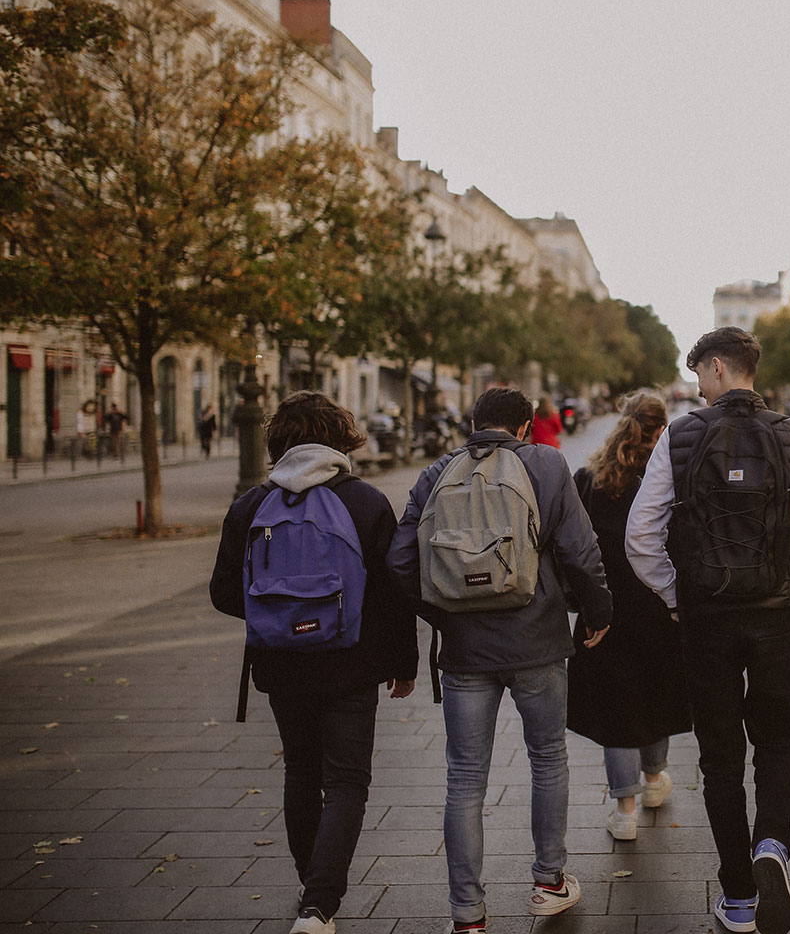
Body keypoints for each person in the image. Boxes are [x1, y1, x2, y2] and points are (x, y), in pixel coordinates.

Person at [627, 326, 790, 934]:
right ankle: (771, 845)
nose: (697, 386)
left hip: (707, 617)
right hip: (778, 611)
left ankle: (739, 897)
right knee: (778, 738)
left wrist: (678, 595)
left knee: (720, 755)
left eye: (699, 372)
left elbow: (640, 538)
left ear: (719, 367)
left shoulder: (679, 436)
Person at [387, 386, 611, 930]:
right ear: (526, 427)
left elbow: (398, 561)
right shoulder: (547, 464)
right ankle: (548, 883)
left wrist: (443, 612)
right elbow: (579, 550)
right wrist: (598, 610)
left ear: (472, 424)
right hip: (538, 641)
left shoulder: (437, 472)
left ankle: (467, 914)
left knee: (464, 777)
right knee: (547, 757)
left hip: (466, 653)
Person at [209, 391, 417, 934]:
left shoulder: (251, 506)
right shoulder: (366, 502)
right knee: (347, 780)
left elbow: (225, 594)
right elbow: (396, 592)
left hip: (281, 665)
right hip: (351, 664)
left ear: (277, 439)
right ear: (340, 437)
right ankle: (320, 906)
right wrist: (405, 662)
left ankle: (310, 885)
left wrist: (281, 614)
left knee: (302, 771)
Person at [566, 391, 693, 841]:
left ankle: (625, 811)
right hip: (657, 607)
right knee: (654, 693)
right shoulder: (667, 480)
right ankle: (655, 781)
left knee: (617, 709)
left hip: (603, 610)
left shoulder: (588, 479)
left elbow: (573, 549)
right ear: (660, 431)